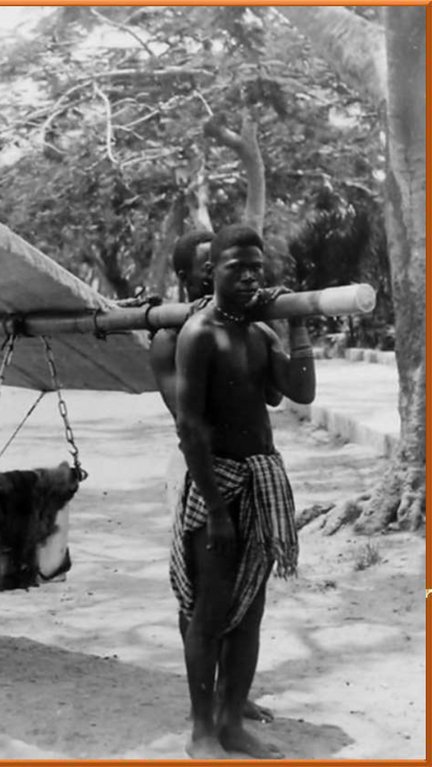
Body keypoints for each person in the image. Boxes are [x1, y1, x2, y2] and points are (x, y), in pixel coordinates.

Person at [170, 224, 315, 758]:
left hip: (261, 483)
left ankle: (232, 723)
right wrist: (215, 510)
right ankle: (202, 732)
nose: (251, 277)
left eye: (257, 267)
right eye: (237, 268)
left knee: (250, 611)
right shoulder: (199, 334)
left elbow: (300, 390)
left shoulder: (260, 334)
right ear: (214, 272)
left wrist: (296, 323)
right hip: (219, 486)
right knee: (211, 612)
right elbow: (190, 429)